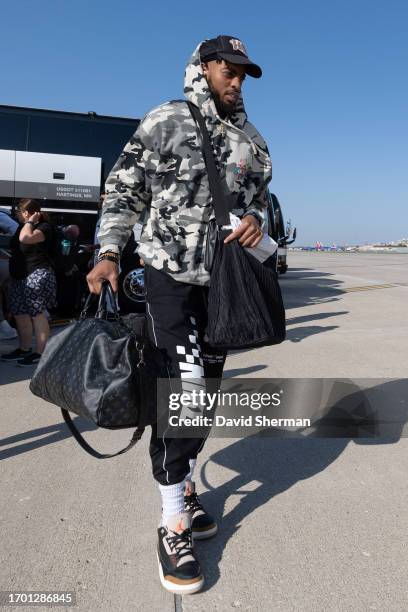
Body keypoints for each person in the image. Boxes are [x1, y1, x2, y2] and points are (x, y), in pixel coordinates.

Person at [87, 36, 272, 594]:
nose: (237, 80)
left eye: (244, 73)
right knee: (186, 384)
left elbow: (261, 195)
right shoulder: (166, 119)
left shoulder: (252, 139)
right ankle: (172, 521)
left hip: (223, 282)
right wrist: (109, 251)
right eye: (228, 69)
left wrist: (257, 219)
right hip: (169, 275)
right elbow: (125, 188)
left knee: (202, 393)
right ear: (203, 68)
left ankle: (184, 483)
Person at [1, 199, 57, 366]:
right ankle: (24, 349)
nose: (18, 215)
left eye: (20, 212)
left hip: (36, 274)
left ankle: (40, 352)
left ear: (26, 212)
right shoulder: (23, 226)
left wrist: (31, 221)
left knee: (36, 313)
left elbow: (26, 238)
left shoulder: (43, 227)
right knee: (20, 313)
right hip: (19, 276)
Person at [0, 209, 19, 339]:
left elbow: (16, 231)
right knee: (9, 294)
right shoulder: (5, 215)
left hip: (3, 260)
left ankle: (5, 328)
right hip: (7, 261)